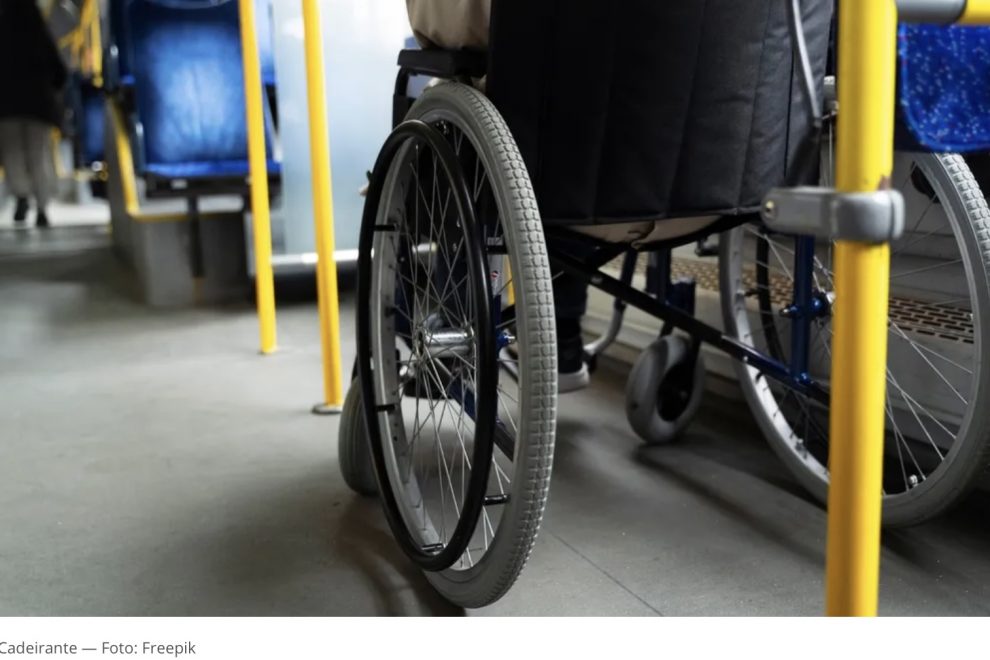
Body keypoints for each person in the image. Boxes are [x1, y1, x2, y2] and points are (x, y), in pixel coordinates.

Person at [0, 0, 68, 228]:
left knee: (13, 155)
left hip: (6, 106)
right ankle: (42, 207)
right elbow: (59, 71)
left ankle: (21, 195)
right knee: (38, 155)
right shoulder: (39, 34)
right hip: (39, 105)